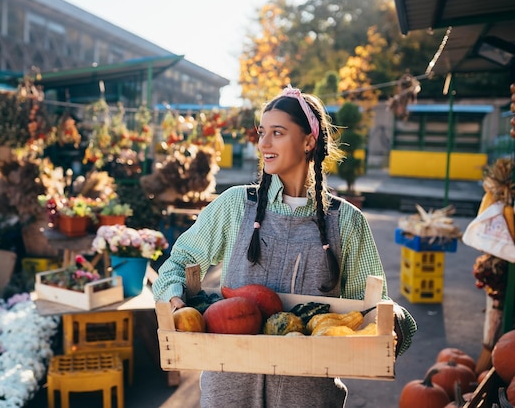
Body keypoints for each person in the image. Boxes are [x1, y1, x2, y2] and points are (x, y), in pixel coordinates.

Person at [152, 86, 417, 408]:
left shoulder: (346, 221)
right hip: (228, 390)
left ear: (308, 141)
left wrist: (395, 324)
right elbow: (180, 260)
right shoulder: (236, 205)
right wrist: (176, 302)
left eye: (277, 133)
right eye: (262, 132)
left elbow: (374, 303)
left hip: (308, 395)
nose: (263, 143)